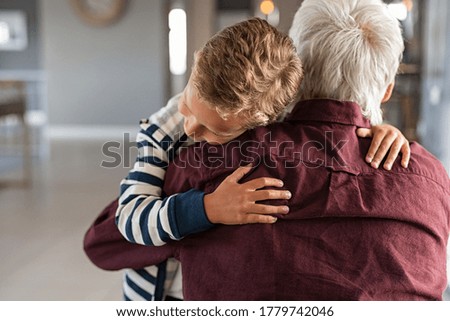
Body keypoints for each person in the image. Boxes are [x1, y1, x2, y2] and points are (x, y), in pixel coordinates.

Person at [84, 11, 415, 300]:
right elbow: (129, 220)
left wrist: (380, 127)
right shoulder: (160, 132)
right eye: (188, 105)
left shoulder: (275, 128)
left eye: (216, 131)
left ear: (263, 125)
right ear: (198, 61)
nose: (189, 128)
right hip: (156, 296)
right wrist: (207, 208)